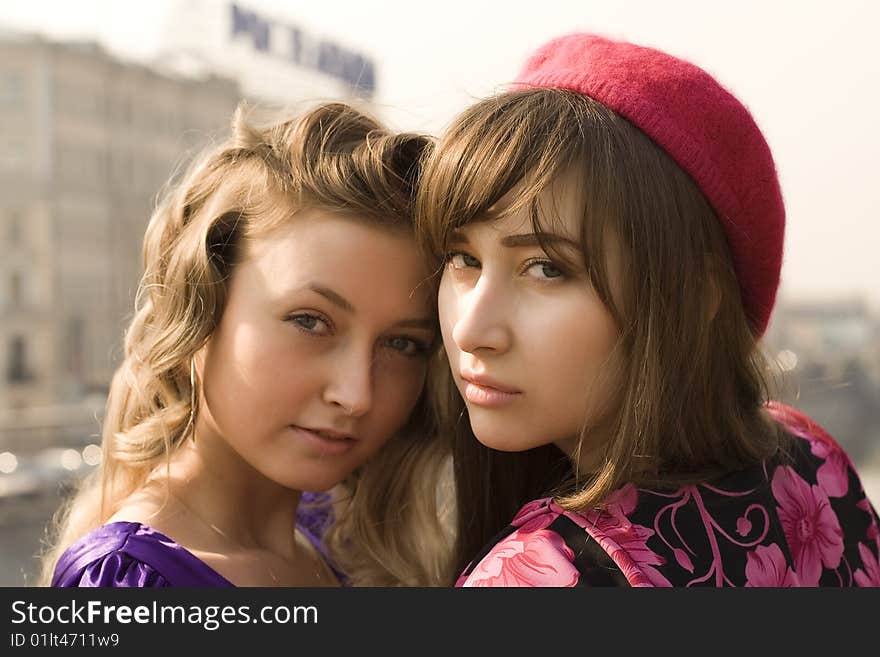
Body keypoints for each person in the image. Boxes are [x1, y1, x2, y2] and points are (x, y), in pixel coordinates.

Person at [417, 33, 880, 587]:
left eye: (546, 268)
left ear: (700, 296)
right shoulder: (812, 462)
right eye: (462, 257)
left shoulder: (542, 575)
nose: (472, 330)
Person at [40, 102, 451, 587]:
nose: (356, 395)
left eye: (403, 344)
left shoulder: (341, 544)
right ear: (202, 308)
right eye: (310, 321)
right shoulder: (132, 583)